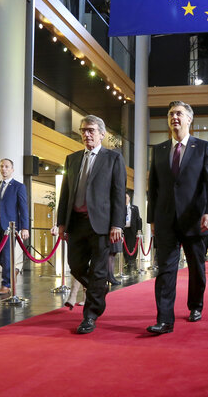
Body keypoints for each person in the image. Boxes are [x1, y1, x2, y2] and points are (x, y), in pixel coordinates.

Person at [146, 100, 208, 335]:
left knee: (196, 268)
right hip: (166, 221)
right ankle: (164, 319)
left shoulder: (203, 147)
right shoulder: (158, 149)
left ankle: (195, 305)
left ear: (190, 119)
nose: (174, 118)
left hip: (194, 219)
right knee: (165, 270)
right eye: (170, 114)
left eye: (179, 114)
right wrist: (152, 219)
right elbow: (153, 187)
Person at [56, 115, 126, 334]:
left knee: (97, 270)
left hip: (103, 225)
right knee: (75, 266)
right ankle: (98, 289)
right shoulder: (72, 159)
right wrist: (61, 222)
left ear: (102, 134)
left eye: (91, 130)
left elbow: (118, 193)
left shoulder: (113, 158)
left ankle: (90, 315)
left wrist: (117, 224)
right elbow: (65, 193)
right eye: (83, 130)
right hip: (76, 223)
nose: (86, 134)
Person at [0, 158, 29, 297]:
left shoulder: (18, 187)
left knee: (7, 254)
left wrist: (25, 227)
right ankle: (12, 270)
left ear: (12, 169)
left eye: (7, 166)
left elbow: (23, 208)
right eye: (2, 166)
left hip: (10, 226)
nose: (4, 169)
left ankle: (6, 284)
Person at [123, 192, 142, 270]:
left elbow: (139, 219)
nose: (125, 200)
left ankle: (132, 261)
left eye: (126, 198)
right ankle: (126, 261)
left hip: (132, 230)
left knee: (132, 246)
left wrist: (139, 230)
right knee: (124, 246)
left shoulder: (135, 208)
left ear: (129, 198)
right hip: (124, 230)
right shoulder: (121, 208)